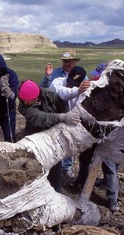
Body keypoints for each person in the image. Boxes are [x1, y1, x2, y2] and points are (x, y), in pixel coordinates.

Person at [69, 63, 121, 212]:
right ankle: (80, 183)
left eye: (99, 76)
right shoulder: (93, 85)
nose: (96, 78)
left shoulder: (116, 91)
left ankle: (112, 199)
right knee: (85, 159)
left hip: (108, 133)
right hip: (91, 132)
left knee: (109, 166)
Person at [18, 80, 80, 192]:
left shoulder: (50, 95)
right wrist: (62, 117)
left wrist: (65, 118)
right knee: (35, 166)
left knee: (55, 164)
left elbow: (62, 107)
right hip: (35, 136)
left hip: (53, 134)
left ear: (36, 97)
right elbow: (40, 118)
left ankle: (56, 191)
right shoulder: (23, 107)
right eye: (24, 101)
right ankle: (36, 192)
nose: (26, 103)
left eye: (29, 101)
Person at [41, 50, 84, 178]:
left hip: (72, 113)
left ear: (74, 62)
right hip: (56, 112)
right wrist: (47, 77)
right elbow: (46, 88)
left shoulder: (81, 75)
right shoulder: (56, 75)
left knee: (69, 142)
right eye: (65, 61)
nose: (67, 64)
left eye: (70, 61)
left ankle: (67, 167)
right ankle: (54, 167)